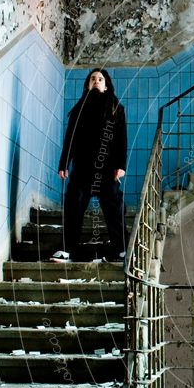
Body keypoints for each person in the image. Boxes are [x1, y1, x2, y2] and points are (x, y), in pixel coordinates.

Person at [51, 68, 128, 262]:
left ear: (106, 84)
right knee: (73, 205)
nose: (96, 81)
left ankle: (120, 249)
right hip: (82, 169)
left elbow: (121, 139)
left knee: (114, 208)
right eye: (93, 78)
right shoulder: (79, 109)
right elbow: (71, 137)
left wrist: (121, 165)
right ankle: (67, 249)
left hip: (107, 168)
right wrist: (64, 163)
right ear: (87, 84)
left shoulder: (116, 108)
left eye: (100, 79)